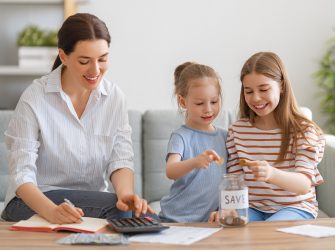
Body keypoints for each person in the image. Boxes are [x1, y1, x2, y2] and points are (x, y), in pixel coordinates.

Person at [1, 13, 154, 224]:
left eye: (103, 59)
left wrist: (125, 195)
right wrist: (52, 211)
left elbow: (120, 160)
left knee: (134, 213)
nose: (96, 70)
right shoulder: (35, 98)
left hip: (89, 204)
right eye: (84, 61)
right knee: (119, 213)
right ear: (63, 57)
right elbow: (22, 174)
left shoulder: (114, 97)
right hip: (31, 202)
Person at [209, 52, 325, 222]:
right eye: (248, 91)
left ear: (282, 86)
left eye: (264, 89)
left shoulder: (303, 130)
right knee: (228, 231)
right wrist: (228, 210)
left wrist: (271, 173)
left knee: (268, 232)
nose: (256, 98)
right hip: (252, 207)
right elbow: (234, 181)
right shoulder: (237, 131)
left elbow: (303, 184)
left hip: (295, 207)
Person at [159, 62, 228, 222]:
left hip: (208, 222)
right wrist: (195, 162)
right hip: (175, 218)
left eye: (214, 101)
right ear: (183, 102)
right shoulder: (181, 136)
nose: (208, 109)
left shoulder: (225, 137)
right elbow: (171, 170)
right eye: (199, 103)